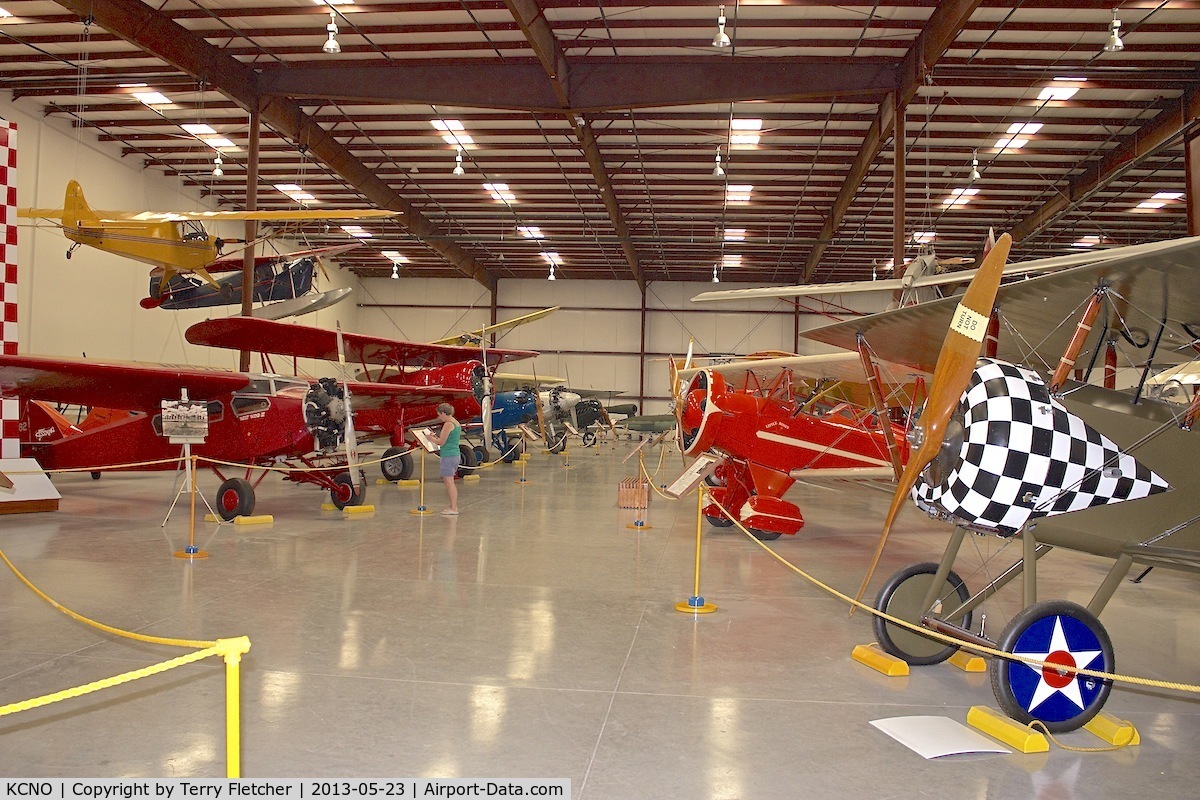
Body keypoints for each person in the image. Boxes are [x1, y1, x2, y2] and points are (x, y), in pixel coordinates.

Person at [431, 403, 461, 515]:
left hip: (448, 455)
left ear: (444, 413)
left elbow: (441, 442)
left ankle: (454, 507)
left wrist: (430, 438)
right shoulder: (455, 422)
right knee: (448, 481)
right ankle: (452, 505)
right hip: (454, 454)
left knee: (449, 482)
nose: (439, 417)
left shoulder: (448, 424)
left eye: (439, 415)